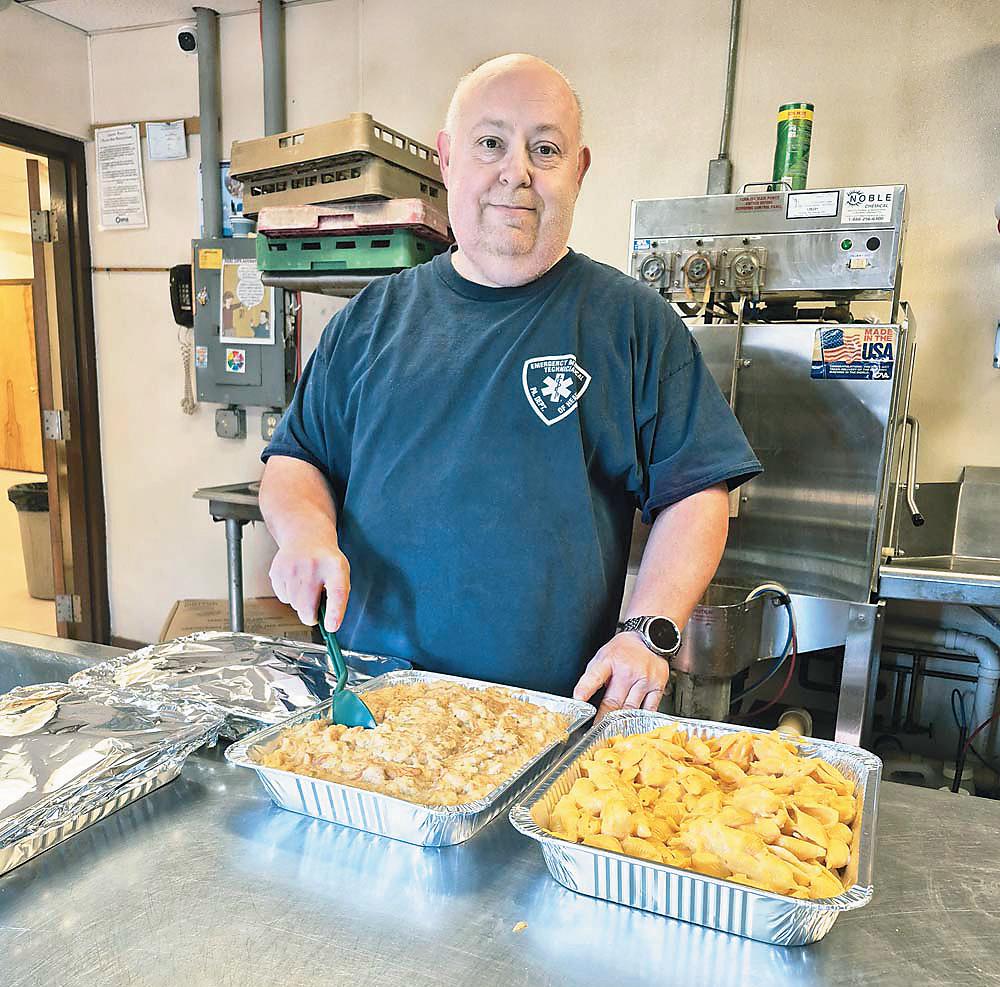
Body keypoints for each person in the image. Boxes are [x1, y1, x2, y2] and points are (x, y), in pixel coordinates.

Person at [259, 53, 761, 717]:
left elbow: (697, 492)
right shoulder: (369, 320)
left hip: (546, 716)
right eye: (490, 143)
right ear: (447, 160)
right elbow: (297, 461)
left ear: (578, 171)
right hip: (370, 707)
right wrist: (304, 534)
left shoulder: (632, 324)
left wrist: (646, 631)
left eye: (545, 149)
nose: (516, 171)